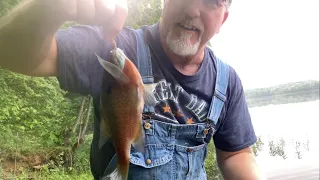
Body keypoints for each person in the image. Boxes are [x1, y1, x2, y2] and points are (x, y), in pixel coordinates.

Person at [0, 0, 265, 179]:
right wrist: (50, 8)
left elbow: (235, 153)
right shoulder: (114, 47)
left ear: (223, 19)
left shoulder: (226, 81)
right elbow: (10, 52)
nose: (192, 9)